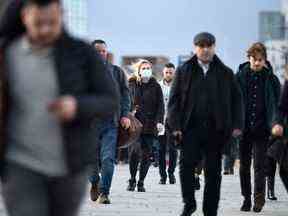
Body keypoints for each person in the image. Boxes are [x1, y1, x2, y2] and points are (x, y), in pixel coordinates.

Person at [0, 1, 119, 216]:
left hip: (68, 165)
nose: (45, 29)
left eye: (52, 23)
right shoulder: (7, 54)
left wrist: (78, 106)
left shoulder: (82, 54)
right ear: (25, 15)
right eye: (38, 23)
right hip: (19, 164)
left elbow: (110, 100)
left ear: (61, 15)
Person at [168, 32, 243, 216]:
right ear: (195, 48)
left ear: (214, 47)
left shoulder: (225, 73)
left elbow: (237, 100)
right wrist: (176, 126)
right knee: (185, 167)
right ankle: (189, 203)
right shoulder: (184, 71)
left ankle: (210, 210)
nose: (206, 49)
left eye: (209, 46)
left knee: (213, 172)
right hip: (190, 129)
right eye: (202, 46)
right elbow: (174, 101)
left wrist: (237, 125)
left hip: (215, 130)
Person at [236, 42, 281, 212]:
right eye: (254, 59)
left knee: (260, 166)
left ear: (265, 60)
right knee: (244, 166)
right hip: (243, 129)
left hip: (263, 129)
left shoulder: (271, 79)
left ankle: (259, 198)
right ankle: (246, 197)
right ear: (249, 58)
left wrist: (276, 123)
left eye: (260, 60)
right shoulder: (239, 77)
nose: (256, 63)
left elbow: (277, 105)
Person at [88, 40, 131, 204]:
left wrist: (125, 115)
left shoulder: (117, 72)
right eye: (97, 51)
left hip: (110, 124)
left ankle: (104, 192)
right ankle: (94, 182)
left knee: (107, 159)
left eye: (103, 51)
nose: (101, 54)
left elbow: (126, 96)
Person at [127, 59, 164, 192]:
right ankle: (132, 179)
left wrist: (160, 121)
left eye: (148, 68)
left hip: (150, 125)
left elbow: (161, 106)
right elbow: (126, 100)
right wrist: (130, 111)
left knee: (146, 155)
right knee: (134, 153)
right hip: (134, 125)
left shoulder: (156, 86)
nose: (146, 70)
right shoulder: (131, 84)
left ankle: (141, 182)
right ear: (138, 70)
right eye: (144, 68)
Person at [158, 63, 178, 185]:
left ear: (174, 73)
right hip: (161, 121)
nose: (169, 74)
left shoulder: (179, 86)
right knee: (161, 149)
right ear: (163, 73)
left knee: (173, 149)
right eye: (167, 72)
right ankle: (162, 175)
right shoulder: (158, 86)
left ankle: (171, 173)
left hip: (174, 122)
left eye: (171, 72)